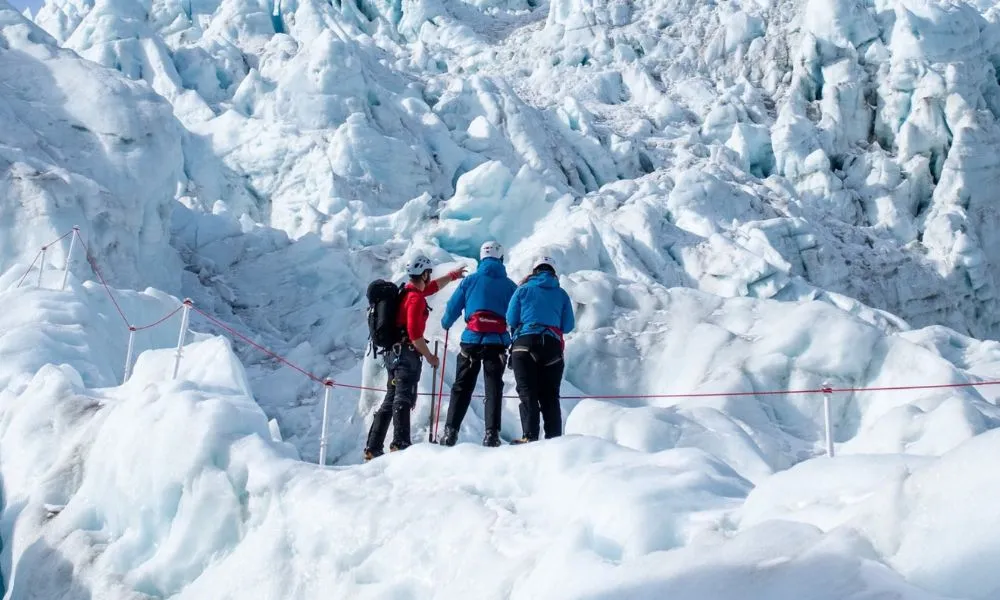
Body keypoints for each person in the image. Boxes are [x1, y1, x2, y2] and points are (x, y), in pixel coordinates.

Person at [364, 255, 466, 460]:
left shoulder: (407, 292)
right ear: (425, 274)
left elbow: (433, 287)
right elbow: (414, 334)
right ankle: (400, 443)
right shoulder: (415, 299)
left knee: (391, 398)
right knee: (403, 397)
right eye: (429, 273)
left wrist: (453, 276)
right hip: (406, 355)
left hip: (393, 354)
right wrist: (430, 356)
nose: (430, 277)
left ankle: (373, 447)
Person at [439, 241, 518, 447]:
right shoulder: (510, 286)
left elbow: (453, 307)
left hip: (471, 340)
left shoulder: (470, 281)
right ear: (501, 258)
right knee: (493, 388)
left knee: (462, 386)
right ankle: (492, 435)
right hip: (497, 342)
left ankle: (450, 432)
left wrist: (446, 323)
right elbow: (516, 317)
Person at [506, 256, 575, 443]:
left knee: (527, 393)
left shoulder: (523, 290)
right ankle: (554, 440)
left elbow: (511, 319)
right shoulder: (561, 294)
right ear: (553, 272)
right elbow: (568, 326)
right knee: (550, 396)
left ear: (534, 271)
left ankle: (529, 437)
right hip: (551, 347)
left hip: (524, 345)